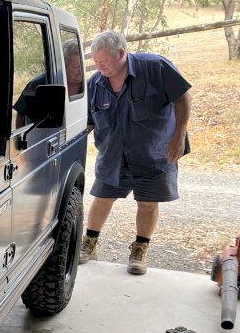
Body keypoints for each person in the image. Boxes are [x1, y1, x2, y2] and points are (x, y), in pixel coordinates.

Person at [82, 30, 191, 275]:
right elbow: (89, 121)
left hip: (153, 154)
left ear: (121, 53)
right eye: (96, 62)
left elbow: (183, 98)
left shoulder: (155, 68)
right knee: (102, 198)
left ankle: (140, 249)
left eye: (104, 62)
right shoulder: (95, 83)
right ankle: (89, 241)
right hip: (113, 157)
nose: (99, 67)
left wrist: (179, 135)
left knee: (147, 203)